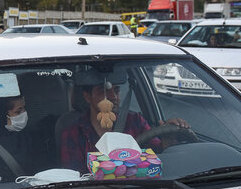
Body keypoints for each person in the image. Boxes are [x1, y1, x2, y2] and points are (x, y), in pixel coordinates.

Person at [60, 71, 190, 174]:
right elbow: (74, 176)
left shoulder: (135, 121)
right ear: (87, 97)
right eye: (103, 92)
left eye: (116, 91)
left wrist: (166, 142)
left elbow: (156, 156)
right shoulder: (74, 133)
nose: (113, 97)